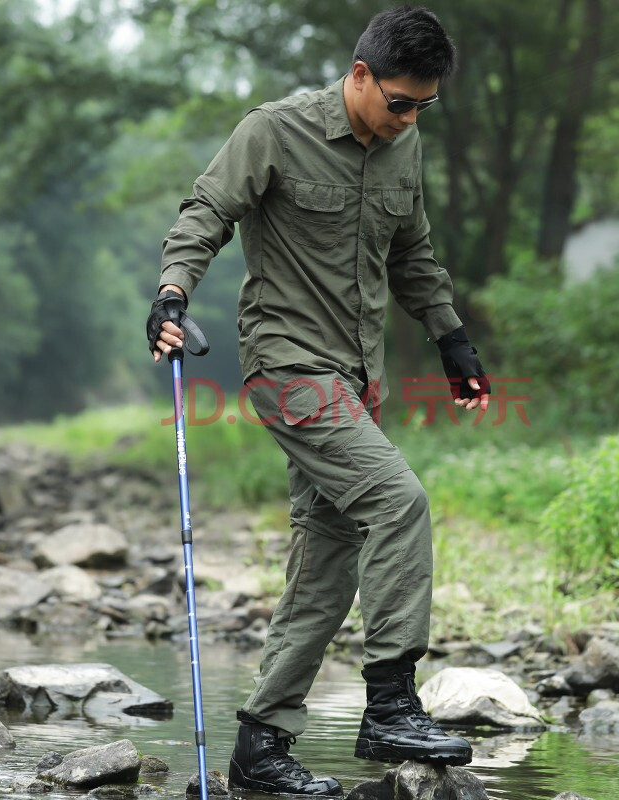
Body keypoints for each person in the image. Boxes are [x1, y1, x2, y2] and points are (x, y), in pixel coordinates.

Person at [146, 6, 489, 797]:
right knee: (399, 502)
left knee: (326, 564)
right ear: (360, 75)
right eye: (399, 102)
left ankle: (262, 743)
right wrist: (171, 295)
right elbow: (206, 214)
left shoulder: (406, 148)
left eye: (423, 108)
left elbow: (415, 255)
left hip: (358, 378)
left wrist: (452, 340)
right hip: (288, 366)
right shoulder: (274, 130)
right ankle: (391, 703)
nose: (408, 119)